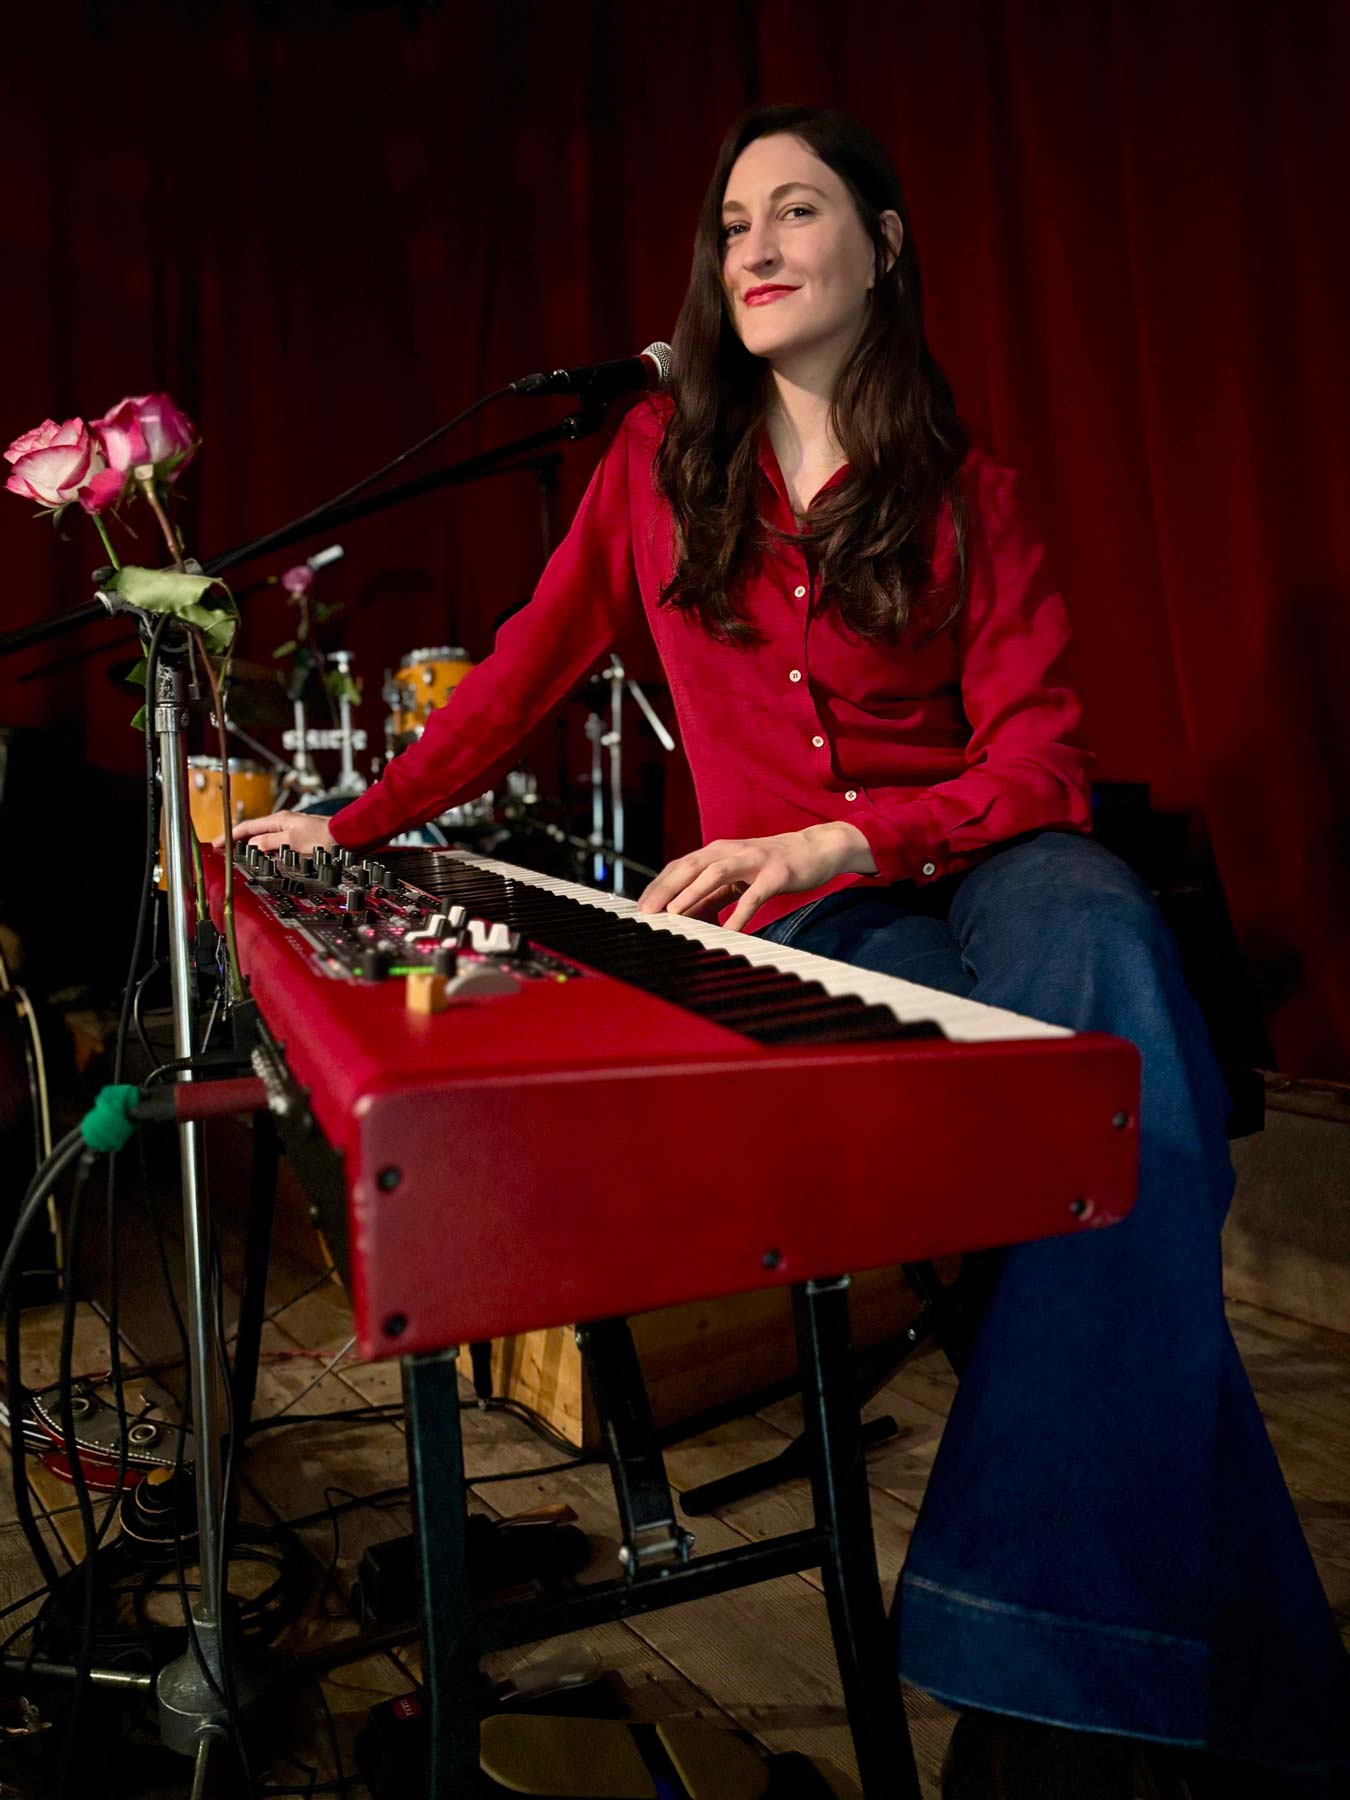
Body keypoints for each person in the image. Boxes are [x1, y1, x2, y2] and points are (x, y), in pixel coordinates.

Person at [230, 107, 1349, 1795]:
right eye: (733, 219)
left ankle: (1069, 1671)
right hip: (826, 930)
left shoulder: (969, 490)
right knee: (1137, 1121)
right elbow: (519, 676)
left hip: (978, 864)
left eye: (798, 209)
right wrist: (355, 825)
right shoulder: (649, 466)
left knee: (1101, 937)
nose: (751, 244)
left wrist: (847, 832)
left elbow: (1039, 768)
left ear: (882, 247)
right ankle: (1214, 1708)